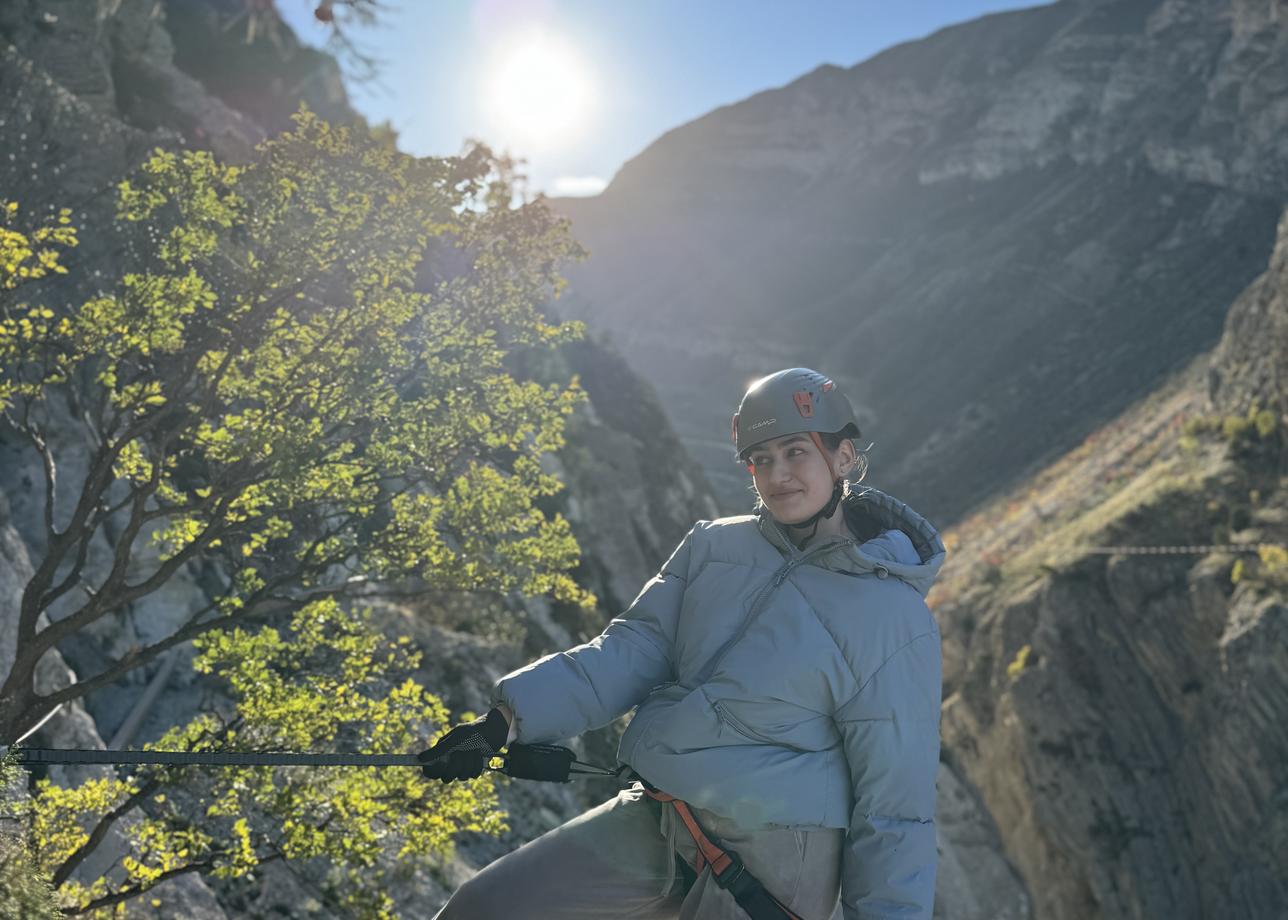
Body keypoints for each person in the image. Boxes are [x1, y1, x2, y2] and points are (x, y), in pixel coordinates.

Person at [420, 367, 945, 919]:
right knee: (484, 908)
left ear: (842, 458)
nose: (778, 474)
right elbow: (631, 649)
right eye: (761, 459)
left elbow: (895, 806)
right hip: (664, 812)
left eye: (796, 452)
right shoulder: (713, 547)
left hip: (781, 855)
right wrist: (504, 722)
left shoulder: (892, 616)